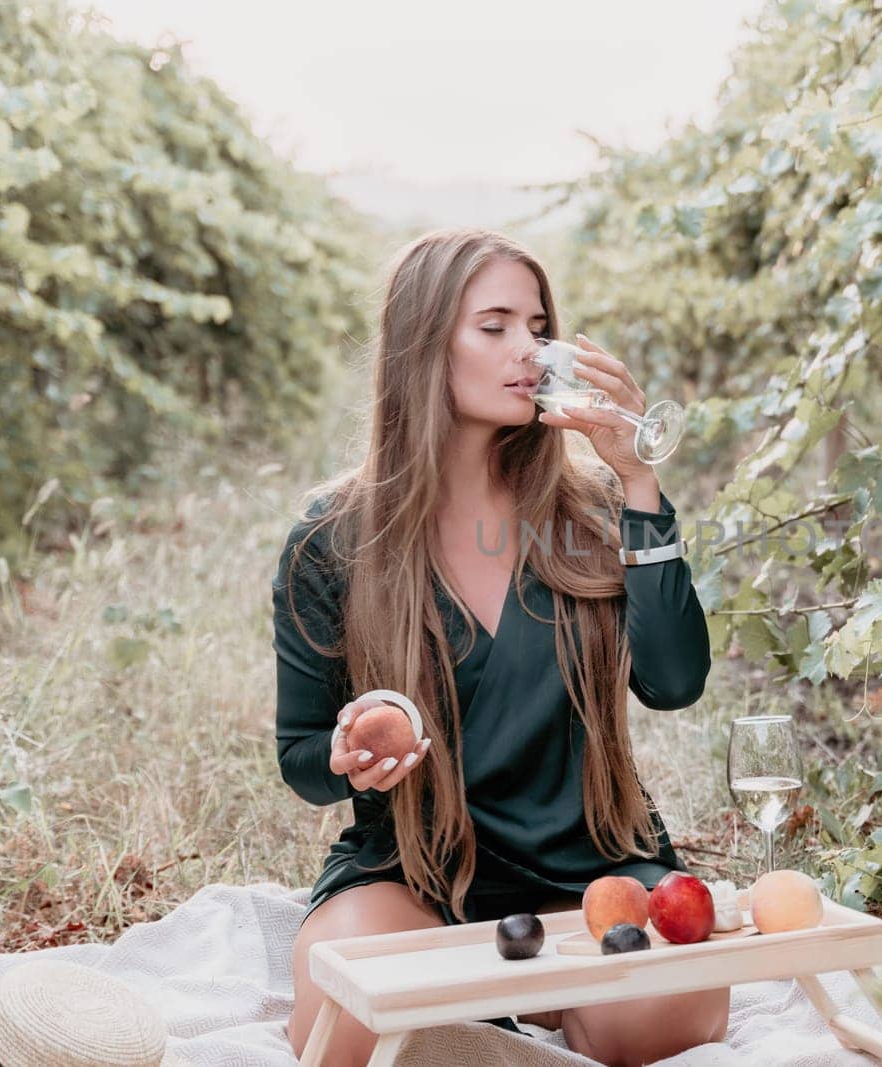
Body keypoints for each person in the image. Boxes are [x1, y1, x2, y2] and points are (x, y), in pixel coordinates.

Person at [272, 228, 728, 1066]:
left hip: (596, 863)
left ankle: (536, 1007)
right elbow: (299, 756)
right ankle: (506, 1011)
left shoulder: (593, 509)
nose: (530, 348)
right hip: (415, 871)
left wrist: (638, 481)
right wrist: (341, 757)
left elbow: (674, 683)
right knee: (344, 1033)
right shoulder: (332, 537)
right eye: (495, 326)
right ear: (423, 346)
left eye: (538, 324)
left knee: (662, 1025)